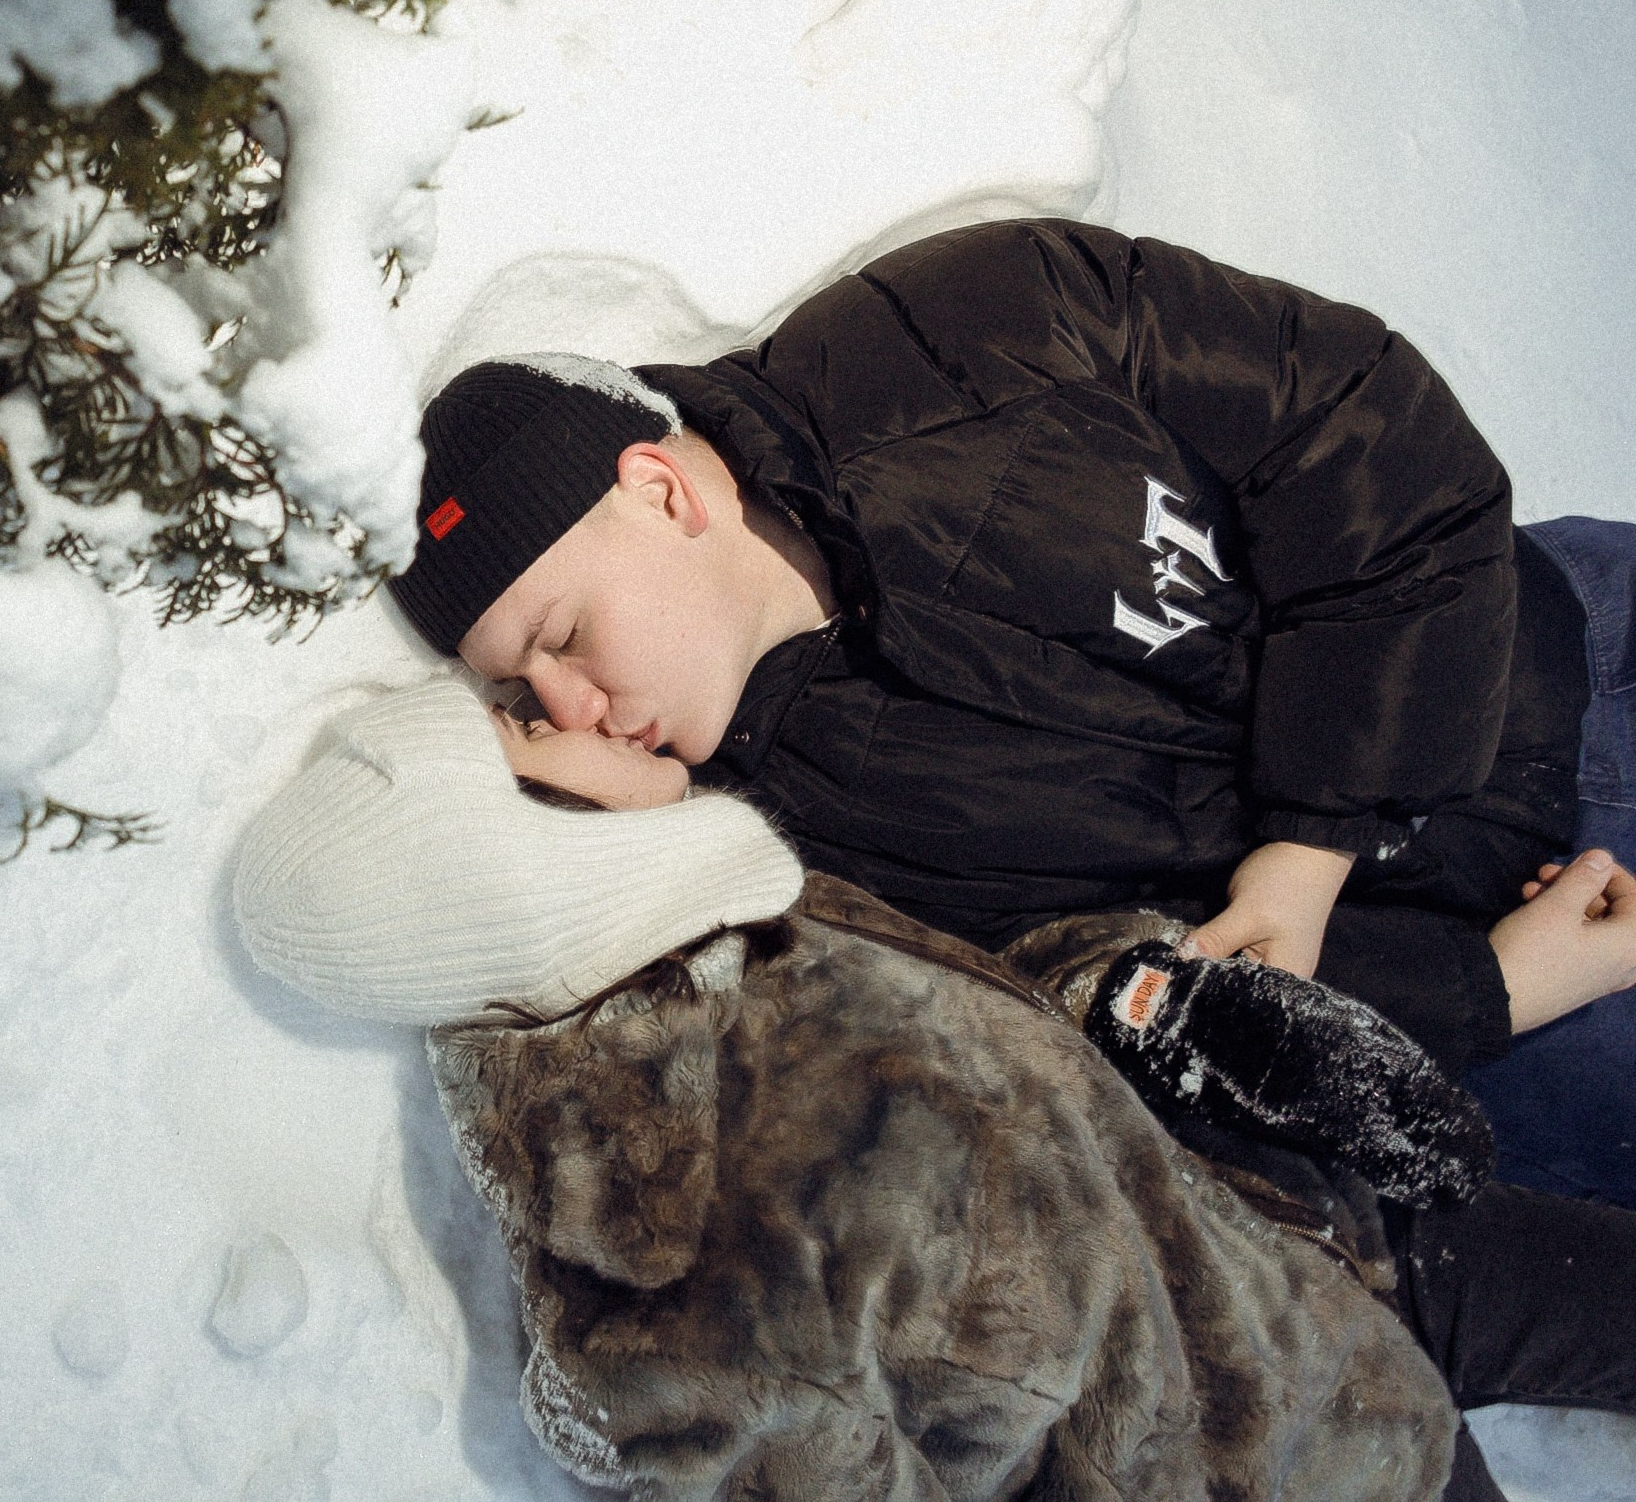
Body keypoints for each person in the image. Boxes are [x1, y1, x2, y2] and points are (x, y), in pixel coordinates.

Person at [384, 218, 1636, 1206]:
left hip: (1565, 651)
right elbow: (1095, 1030)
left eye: (562, 638)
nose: (572, 706)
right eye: (522, 691)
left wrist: (1314, 846)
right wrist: (1484, 992)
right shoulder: (788, 852)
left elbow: (1360, 425)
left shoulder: (962, 330)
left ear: (659, 492)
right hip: (1504, 993)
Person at [229, 678, 1636, 1502]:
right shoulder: (663, 1268)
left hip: (1308, 1235)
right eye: (536, 725)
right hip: (1321, 1455)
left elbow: (993, 999)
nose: (589, 701)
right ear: (511, 857)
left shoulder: (729, 909)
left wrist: (1161, 1004)